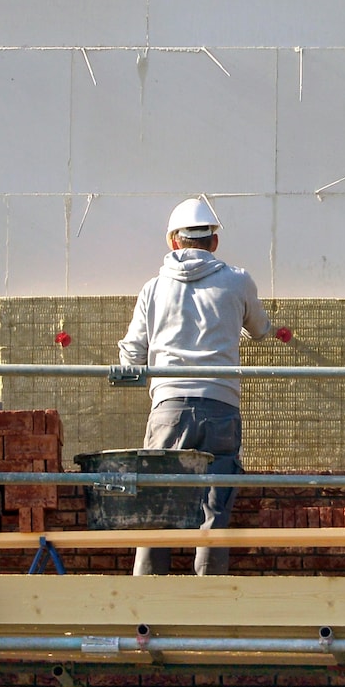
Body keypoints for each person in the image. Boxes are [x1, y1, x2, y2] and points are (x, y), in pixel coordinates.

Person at [117, 197, 276, 575]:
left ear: (174, 241)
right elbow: (260, 330)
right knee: (214, 512)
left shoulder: (153, 289)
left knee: (158, 508)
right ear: (214, 241)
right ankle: (207, 596)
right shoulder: (237, 281)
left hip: (169, 409)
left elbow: (132, 355)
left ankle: (148, 598)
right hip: (221, 407)